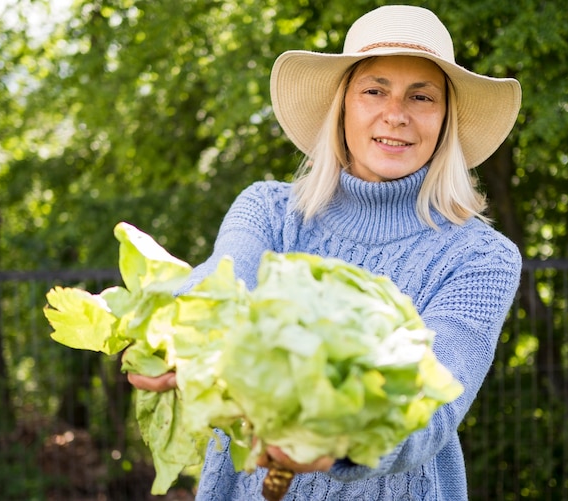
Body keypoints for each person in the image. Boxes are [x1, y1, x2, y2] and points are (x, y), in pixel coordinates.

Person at [128, 4, 522, 500]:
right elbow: (223, 280)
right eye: (374, 90)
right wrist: (169, 325)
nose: (395, 114)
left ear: (445, 119)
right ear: (343, 105)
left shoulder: (482, 258)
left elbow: (434, 399)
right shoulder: (269, 212)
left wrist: (340, 443)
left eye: (421, 97)